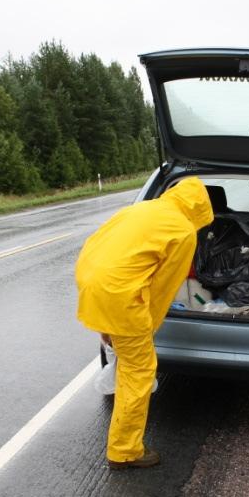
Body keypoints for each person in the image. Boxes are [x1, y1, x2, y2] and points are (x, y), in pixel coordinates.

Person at [75, 177, 214, 469]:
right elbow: (164, 286)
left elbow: (98, 246)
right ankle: (125, 451)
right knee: (139, 371)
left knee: (128, 361)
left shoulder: (141, 209)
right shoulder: (183, 230)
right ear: (200, 208)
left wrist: (108, 324)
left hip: (93, 281)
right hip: (122, 295)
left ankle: (124, 445)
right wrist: (147, 326)